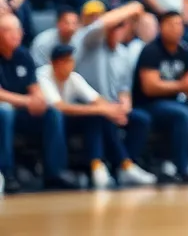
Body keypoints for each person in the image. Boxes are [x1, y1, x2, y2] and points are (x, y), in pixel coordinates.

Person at [71, 0, 157, 186]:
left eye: (120, 27)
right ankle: (99, 166)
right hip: (85, 105)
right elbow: (101, 24)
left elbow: (124, 88)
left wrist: (125, 105)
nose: (115, 30)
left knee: (141, 118)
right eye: (113, 26)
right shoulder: (90, 41)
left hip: (112, 106)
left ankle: (126, 166)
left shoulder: (123, 53)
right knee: (101, 115)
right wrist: (134, 6)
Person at [131, 11, 188, 182]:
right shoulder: (151, 51)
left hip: (174, 102)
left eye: (179, 24)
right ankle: (180, 167)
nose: (177, 29)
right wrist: (183, 86)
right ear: (161, 27)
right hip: (148, 104)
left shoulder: (183, 50)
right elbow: (150, 87)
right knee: (182, 114)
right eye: (172, 24)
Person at [36, 43, 131, 188]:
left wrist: (114, 112)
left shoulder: (74, 77)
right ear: (54, 63)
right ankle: (57, 171)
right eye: (65, 61)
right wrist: (102, 110)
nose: (69, 65)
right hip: (44, 121)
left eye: (71, 60)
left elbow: (97, 99)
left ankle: (100, 166)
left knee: (97, 116)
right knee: (93, 113)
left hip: (66, 121)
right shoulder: (42, 75)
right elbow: (59, 107)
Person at [0, 12, 75, 194]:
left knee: (52, 112)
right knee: (5, 111)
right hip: (5, 111)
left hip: (23, 111)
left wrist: (40, 99)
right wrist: (27, 101)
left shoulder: (23, 55)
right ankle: (7, 173)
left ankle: (54, 173)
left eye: (18, 29)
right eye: (9, 30)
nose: (15, 34)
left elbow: (34, 87)